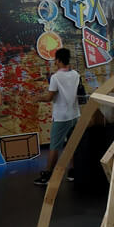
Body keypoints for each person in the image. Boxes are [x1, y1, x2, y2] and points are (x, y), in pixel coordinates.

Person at [34, 48, 81, 186]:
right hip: (75, 114)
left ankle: (48, 175)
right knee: (72, 144)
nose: (55, 62)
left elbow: (49, 97)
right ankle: (73, 171)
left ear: (59, 60)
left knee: (54, 146)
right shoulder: (76, 74)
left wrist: (38, 98)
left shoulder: (56, 77)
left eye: (56, 59)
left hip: (61, 117)